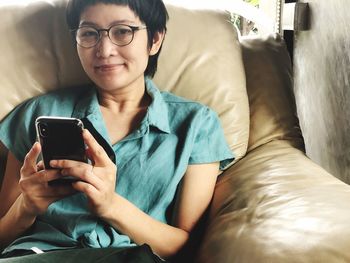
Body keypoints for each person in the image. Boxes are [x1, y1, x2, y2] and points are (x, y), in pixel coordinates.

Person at [0, 0, 234, 261]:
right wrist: (26, 206)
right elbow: (2, 236)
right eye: (89, 33)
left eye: (122, 31)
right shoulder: (37, 113)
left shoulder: (196, 123)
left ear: (155, 40)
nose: (104, 49)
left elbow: (186, 247)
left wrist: (111, 206)